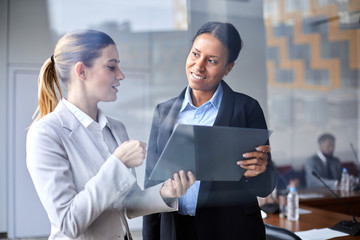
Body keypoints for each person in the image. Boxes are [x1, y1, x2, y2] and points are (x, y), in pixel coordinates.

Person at [26, 29, 195, 240]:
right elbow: (68, 222)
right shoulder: (45, 134)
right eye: (111, 66)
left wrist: (165, 192)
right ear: (81, 72)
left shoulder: (116, 128)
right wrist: (118, 162)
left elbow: (126, 203)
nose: (121, 75)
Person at [143, 22, 277, 240]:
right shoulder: (164, 112)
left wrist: (258, 173)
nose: (198, 66)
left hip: (231, 230)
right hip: (176, 230)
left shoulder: (246, 109)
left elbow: (266, 185)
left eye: (212, 61)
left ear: (228, 68)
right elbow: (151, 185)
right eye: (195, 54)